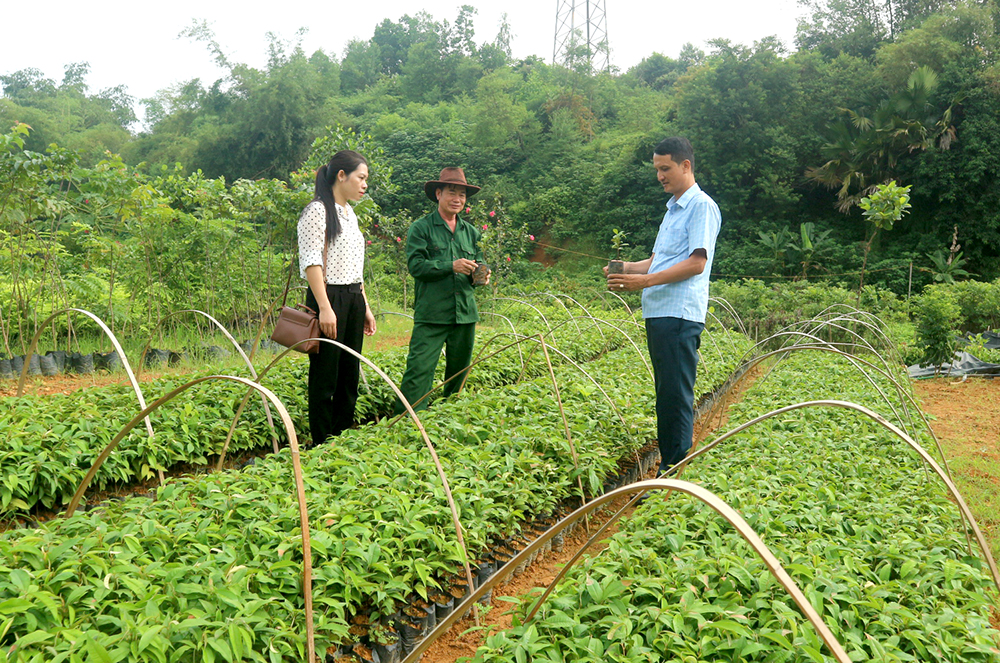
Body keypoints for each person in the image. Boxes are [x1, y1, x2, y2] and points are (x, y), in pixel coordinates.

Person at [606, 137, 721, 474]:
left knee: (674, 396)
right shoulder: (673, 209)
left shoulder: (701, 207)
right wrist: (626, 268)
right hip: (659, 313)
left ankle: (671, 471)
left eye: (665, 168)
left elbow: (696, 263)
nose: (660, 175)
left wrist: (642, 282)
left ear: (686, 165)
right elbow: (657, 263)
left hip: (679, 315)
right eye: (657, 169)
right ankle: (669, 464)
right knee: (665, 394)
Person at [394, 167, 489, 414]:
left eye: (463, 195)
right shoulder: (421, 228)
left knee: (458, 374)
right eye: (452, 192)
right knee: (419, 371)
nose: (458, 199)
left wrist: (482, 276)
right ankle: (407, 422)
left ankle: (447, 419)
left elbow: (478, 265)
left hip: (465, 314)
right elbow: (416, 266)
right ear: (438, 193)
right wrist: (451, 266)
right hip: (432, 313)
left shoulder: (472, 233)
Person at [298, 150, 377, 444]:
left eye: (366, 179)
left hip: (353, 297)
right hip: (328, 297)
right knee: (325, 375)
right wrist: (325, 308)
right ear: (341, 176)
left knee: (349, 372)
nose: (364, 184)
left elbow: (356, 267)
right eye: (361, 177)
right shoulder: (317, 211)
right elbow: (311, 262)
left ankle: (343, 438)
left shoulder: (350, 213)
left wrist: (365, 306)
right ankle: (321, 441)